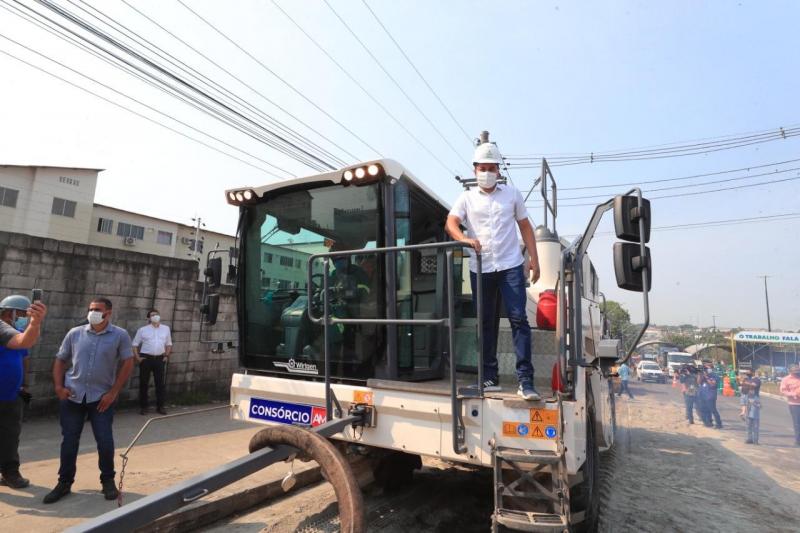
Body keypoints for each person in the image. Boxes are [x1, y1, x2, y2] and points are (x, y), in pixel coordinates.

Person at [445, 141, 541, 400]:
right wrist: (463, 239)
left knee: (519, 318)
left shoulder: (512, 194)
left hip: (510, 265)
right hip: (481, 267)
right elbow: (451, 223)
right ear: (475, 170)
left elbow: (525, 227)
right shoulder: (466, 198)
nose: (487, 172)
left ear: (499, 171)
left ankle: (526, 380)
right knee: (485, 323)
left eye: (491, 168)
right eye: (482, 168)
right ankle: (489, 376)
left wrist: (534, 258)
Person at [43, 297, 134, 504]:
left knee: (104, 440)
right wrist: (58, 386)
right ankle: (64, 482)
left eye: (98, 309)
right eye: (91, 309)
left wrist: (113, 392)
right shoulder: (75, 333)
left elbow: (128, 362)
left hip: (101, 398)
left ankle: (107, 480)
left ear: (108, 313)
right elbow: (60, 359)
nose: (93, 312)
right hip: (73, 396)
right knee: (69, 441)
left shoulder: (120, 335)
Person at [0, 295, 43, 489]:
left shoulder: (17, 329)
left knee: (10, 435)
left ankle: (10, 473)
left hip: (11, 395)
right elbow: (22, 342)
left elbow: (24, 354)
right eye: (24, 314)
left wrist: (23, 383)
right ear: (10, 312)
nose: (25, 318)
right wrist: (35, 323)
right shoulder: (2, 328)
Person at [133, 309, 173, 416]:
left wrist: (166, 356)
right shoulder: (143, 330)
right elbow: (135, 344)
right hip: (146, 358)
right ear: (149, 318)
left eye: (156, 315)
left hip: (160, 358)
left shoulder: (166, 329)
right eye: (152, 315)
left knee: (160, 383)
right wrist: (138, 357)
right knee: (144, 383)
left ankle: (160, 406)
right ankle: (144, 407)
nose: (155, 316)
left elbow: (169, 343)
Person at [779, 364, 800, 447]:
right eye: (795, 372)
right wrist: (794, 394)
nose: (797, 374)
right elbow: (782, 391)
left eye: (798, 372)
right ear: (790, 371)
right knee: (797, 423)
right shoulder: (786, 380)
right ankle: (798, 441)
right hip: (794, 404)